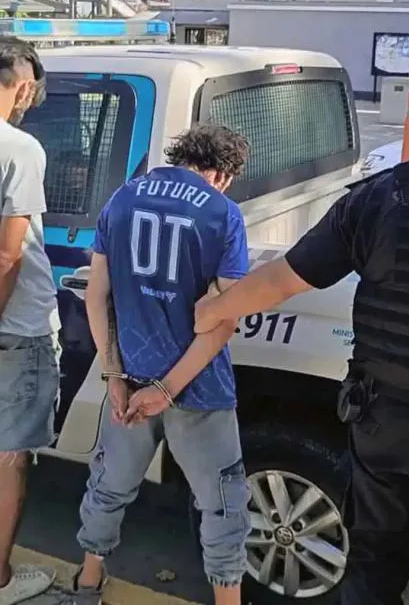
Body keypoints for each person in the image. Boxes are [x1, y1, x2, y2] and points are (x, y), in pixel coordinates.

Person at [195, 57, 409, 605]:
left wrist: (212, 312)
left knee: (373, 568)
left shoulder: (376, 199)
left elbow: (283, 279)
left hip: (384, 422)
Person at [72, 124, 252, 605]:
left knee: (109, 485)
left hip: (130, 380)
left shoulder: (122, 199)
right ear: (223, 175)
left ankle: (87, 583)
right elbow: (224, 319)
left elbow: (96, 295)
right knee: (222, 505)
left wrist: (114, 375)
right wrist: (169, 389)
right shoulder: (222, 213)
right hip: (199, 388)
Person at [0, 37, 60, 603]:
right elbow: (8, 255)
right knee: (9, 455)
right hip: (15, 327)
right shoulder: (19, 148)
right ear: (22, 88)